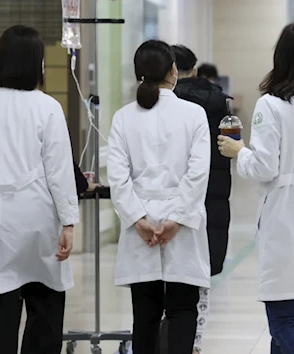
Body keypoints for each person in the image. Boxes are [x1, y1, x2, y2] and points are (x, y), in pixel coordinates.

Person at [0, 48, 93, 354]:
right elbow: (60, 170)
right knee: (46, 313)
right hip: (40, 223)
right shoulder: (47, 106)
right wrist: (68, 221)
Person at [218, 23, 294, 354]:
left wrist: (238, 151)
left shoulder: (272, 105)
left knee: (284, 322)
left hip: (287, 221)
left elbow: (264, 167)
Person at [107, 40, 211, 354]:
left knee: (145, 315)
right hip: (182, 225)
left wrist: (138, 220)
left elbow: (117, 176)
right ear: (173, 71)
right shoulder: (193, 114)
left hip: (141, 225)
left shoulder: (124, 117)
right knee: (182, 309)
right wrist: (177, 219)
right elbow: (198, 173)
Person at [172, 44, 231, 354]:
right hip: (211, 198)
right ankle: (193, 343)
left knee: (163, 281)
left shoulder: (156, 103)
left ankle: (163, 340)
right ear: (193, 71)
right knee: (199, 277)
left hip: (166, 202)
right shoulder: (218, 102)